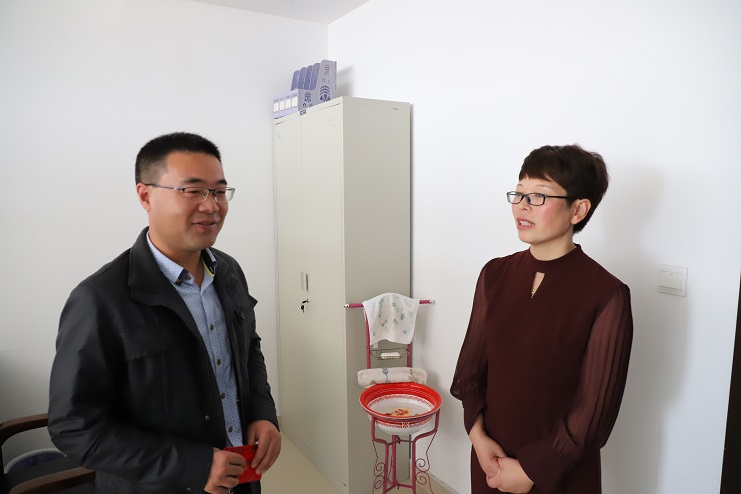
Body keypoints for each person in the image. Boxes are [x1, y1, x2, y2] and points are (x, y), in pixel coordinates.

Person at [48, 132, 281, 493]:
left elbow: (248, 348)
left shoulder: (228, 271)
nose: (211, 206)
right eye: (193, 191)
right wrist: (194, 466)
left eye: (219, 192)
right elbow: (75, 427)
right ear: (145, 195)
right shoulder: (100, 299)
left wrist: (263, 413)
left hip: (240, 477)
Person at [450, 144, 633, 493]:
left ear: (578, 209)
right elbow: (471, 370)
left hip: (558, 472)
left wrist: (532, 471)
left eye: (539, 196)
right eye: (519, 193)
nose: (522, 205)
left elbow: (594, 410)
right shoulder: (494, 274)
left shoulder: (606, 294)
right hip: (491, 460)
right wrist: (479, 439)